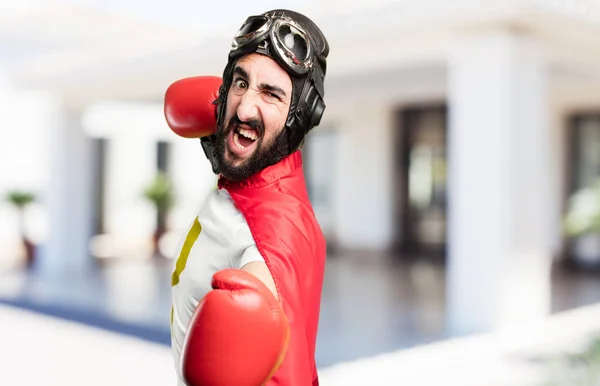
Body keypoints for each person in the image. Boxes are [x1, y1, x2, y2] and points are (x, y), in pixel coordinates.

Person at [163, 9, 330, 386]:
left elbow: (270, 277)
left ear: (297, 118)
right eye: (240, 83)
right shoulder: (252, 166)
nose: (244, 107)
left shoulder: (272, 235)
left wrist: (251, 312)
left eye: (271, 94)